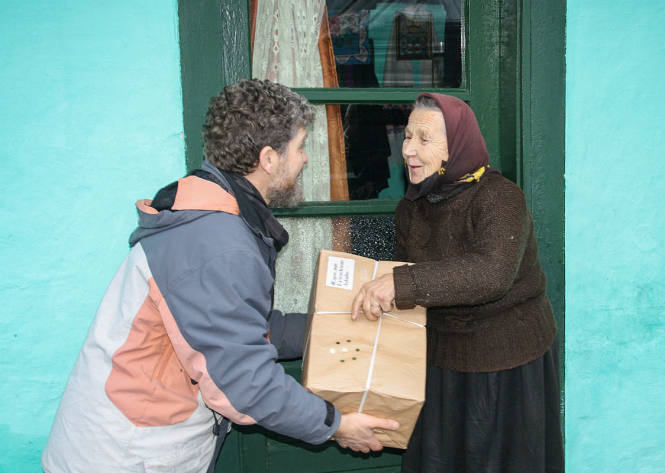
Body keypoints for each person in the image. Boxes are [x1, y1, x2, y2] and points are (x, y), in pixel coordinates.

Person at [42, 79, 399, 473]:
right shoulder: (219, 244)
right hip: (129, 453)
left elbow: (243, 329)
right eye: (299, 147)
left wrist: (334, 325)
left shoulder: (212, 218)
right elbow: (244, 381)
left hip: (134, 442)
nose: (305, 160)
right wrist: (334, 424)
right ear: (268, 158)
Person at [352, 93, 564, 472]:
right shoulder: (412, 207)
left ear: (458, 146)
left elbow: (492, 273)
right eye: (406, 137)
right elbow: (414, 289)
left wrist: (399, 284)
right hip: (442, 360)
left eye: (424, 139)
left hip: (507, 364)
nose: (409, 151)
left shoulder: (499, 198)